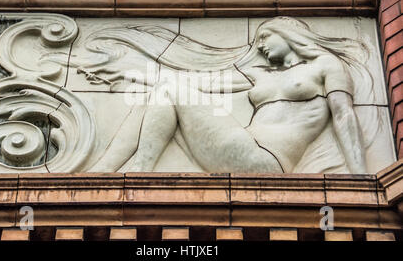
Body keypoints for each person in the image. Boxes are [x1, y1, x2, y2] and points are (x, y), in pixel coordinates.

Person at [86, 17, 374, 174]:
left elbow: (344, 114)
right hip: (239, 148)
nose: (260, 46)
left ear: (287, 33)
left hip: (266, 160)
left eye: (265, 37)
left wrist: (360, 175)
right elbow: (196, 81)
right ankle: (105, 172)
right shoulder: (260, 75)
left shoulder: (326, 65)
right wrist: (127, 74)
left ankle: (139, 175)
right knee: (161, 93)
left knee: (169, 92)